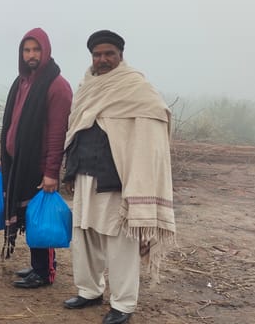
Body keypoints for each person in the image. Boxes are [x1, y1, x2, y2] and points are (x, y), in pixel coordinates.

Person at [62, 30, 176, 324]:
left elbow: (155, 123)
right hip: (85, 173)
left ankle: (123, 304)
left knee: (119, 241)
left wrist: (139, 175)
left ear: (120, 55)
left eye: (108, 54)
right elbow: (76, 126)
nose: (102, 59)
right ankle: (89, 290)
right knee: (85, 235)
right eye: (97, 54)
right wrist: (70, 169)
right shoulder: (87, 86)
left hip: (118, 177)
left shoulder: (136, 88)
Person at [0, 28, 72, 288]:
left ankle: (45, 272)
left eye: (36, 50)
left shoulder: (56, 86)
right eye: (26, 50)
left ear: (46, 51)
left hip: (39, 166)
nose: (31, 55)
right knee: (31, 217)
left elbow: (56, 133)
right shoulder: (23, 81)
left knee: (41, 217)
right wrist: (6, 156)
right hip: (20, 164)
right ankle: (36, 265)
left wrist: (51, 172)